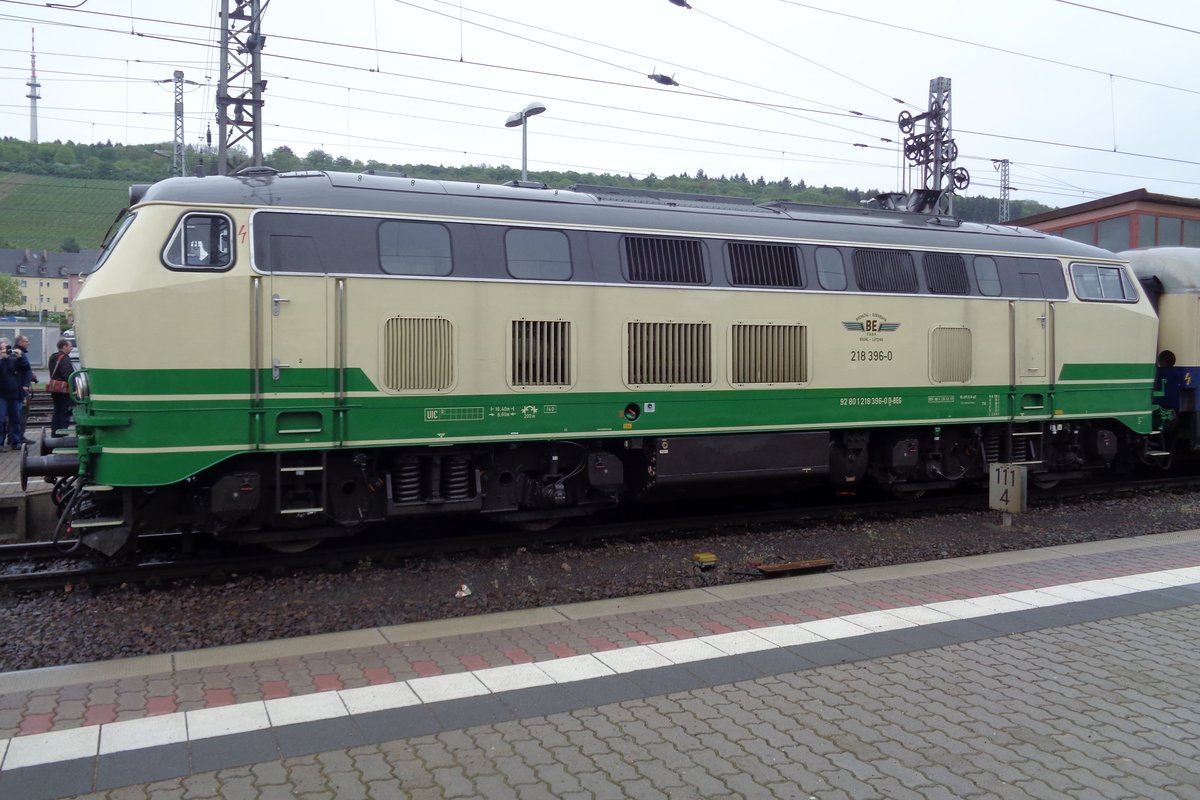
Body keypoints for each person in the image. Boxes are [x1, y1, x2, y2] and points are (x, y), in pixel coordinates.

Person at [0, 338, 30, 451]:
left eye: (7, 348)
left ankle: (15, 442)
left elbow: (26, 368)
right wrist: (2, 359)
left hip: (14, 395)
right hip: (1, 395)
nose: (5, 350)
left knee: (16, 419)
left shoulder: (13, 359)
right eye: (2, 348)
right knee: (1, 419)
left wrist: (20, 357)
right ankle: (0, 443)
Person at [49, 338, 74, 436]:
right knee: (65, 412)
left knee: (57, 412)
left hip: (55, 388)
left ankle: (55, 433)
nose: (71, 348)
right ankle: (62, 433)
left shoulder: (53, 357)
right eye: (70, 346)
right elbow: (68, 375)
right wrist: (74, 388)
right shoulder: (64, 358)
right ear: (64, 346)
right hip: (64, 390)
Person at [14, 334, 35, 444]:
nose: (28, 343)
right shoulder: (18, 354)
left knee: (22, 413)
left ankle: (18, 436)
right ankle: (19, 437)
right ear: (20, 342)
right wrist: (25, 385)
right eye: (26, 341)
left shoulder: (20, 353)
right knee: (22, 413)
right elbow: (22, 369)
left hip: (22, 387)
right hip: (21, 389)